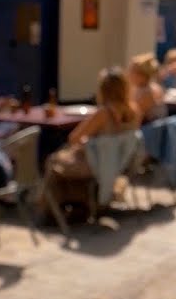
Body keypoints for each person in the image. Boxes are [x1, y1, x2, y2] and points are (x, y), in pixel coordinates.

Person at [42, 68, 141, 216]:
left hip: (97, 164)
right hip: (118, 164)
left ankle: (52, 211)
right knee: (65, 160)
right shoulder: (134, 111)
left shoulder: (103, 113)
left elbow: (73, 138)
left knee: (53, 161)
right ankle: (81, 203)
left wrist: (90, 142)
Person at [129, 53, 167, 123]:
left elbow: (136, 116)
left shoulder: (151, 91)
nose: (129, 74)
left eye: (132, 71)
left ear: (142, 75)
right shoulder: (137, 88)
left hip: (150, 129)